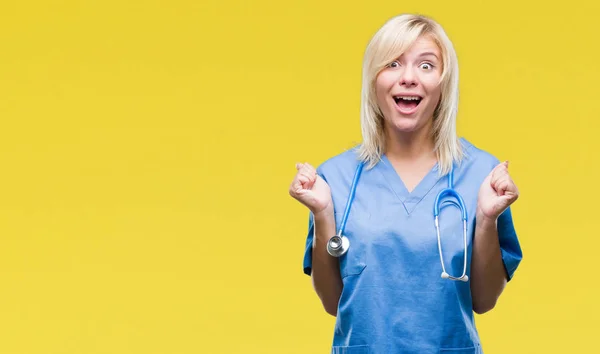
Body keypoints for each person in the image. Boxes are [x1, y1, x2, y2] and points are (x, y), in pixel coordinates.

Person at [288, 13, 523, 354]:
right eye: (393, 64)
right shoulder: (335, 179)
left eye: (426, 66)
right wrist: (324, 213)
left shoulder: (482, 175)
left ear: (444, 83)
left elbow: (484, 300)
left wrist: (486, 219)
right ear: (374, 80)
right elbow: (333, 303)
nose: (409, 78)